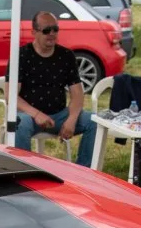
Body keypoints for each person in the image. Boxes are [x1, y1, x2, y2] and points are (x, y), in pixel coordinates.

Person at [11, 11, 97, 166]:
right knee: (20, 122)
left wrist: (71, 119)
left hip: (60, 115)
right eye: (46, 30)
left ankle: (84, 172)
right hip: (29, 116)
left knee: (94, 121)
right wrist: (36, 114)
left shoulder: (66, 55)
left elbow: (77, 93)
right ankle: (24, 171)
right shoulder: (21, 56)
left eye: (55, 29)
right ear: (34, 32)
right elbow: (10, 95)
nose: (52, 34)